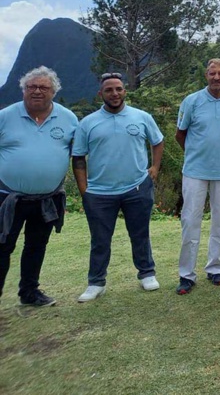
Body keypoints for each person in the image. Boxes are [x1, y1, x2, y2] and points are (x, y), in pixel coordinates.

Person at [72, 73, 164, 302]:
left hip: (137, 189)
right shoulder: (88, 123)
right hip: (100, 193)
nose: (115, 94)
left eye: (119, 89)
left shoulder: (141, 117)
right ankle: (96, 282)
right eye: (109, 90)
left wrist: (154, 168)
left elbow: (157, 141)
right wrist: (85, 191)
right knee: (100, 240)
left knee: (140, 235)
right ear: (100, 94)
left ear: (124, 91)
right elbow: (79, 158)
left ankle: (146, 273)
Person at [0, 67, 78, 307]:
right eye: (31, 87)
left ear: (53, 91)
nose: (36, 91)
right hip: (6, 197)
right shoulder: (5, 116)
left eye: (43, 87)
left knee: (36, 245)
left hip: (47, 198)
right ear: (23, 90)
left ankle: (29, 292)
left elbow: (78, 154)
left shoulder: (68, 118)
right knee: (2, 246)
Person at [174, 59, 220, 295]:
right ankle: (186, 275)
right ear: (206, 75)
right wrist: (198, 153)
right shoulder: (192, 101)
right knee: (190, 221)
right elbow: (180, 134)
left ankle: (215, 268)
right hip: (195, 171)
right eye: (212, 73)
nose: (217, 77)